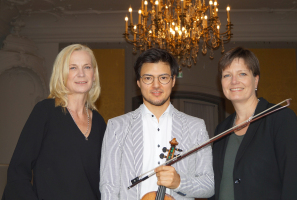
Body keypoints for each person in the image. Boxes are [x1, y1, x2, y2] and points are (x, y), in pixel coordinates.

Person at [100, 48, 214, 200]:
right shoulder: (117, 127)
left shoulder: (196, 127)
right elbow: (109, 187)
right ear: (138, 83)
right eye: (148, 78)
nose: (156, 85)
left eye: (163, 78)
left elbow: (209, 185)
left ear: (173, 81)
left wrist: (180, 183)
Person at [2, 44, 106, 200]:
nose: (81, 74)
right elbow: (17, 171)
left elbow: (106, 177)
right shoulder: (45, 111)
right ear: (61, 74)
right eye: (72, 68)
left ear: (94, 75)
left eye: (87, 67)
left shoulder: (98, 122)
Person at [210, 47, 297, 200]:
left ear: (256, 79)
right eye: (227, 75)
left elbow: (294, 182)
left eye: (242, 74)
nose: (234, 81)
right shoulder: (221, 129)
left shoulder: (281, 118)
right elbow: (217, 185)